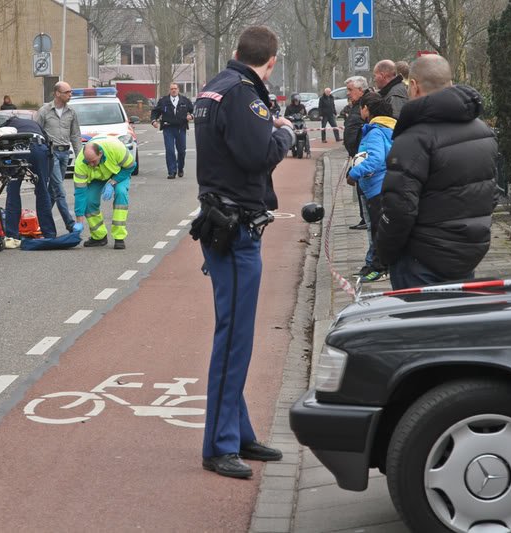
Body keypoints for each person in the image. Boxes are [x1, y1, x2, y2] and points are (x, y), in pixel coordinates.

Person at [191, 25, 291, 479]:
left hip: (221, 218)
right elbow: (257, 155)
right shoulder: (244, 94)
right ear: (271, 61)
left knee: (237, 336)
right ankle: (219, 445)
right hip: (236, 228)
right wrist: (284, 134)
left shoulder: (215, 86)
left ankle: (239, 430)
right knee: (234, 338)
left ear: (235, 51)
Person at [377, 55, 498, 290]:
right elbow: (490, 194)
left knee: (419, 326)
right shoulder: (483, 131)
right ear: (450, 83)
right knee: (456, 325)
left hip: (420, 260)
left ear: (413, 86)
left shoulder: (413, 139)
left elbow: (399, 208)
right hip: (467, 255)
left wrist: (385, 255)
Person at [346, 91, 396, 283]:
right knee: (377, 228)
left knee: (378, 230)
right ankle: (373, 264)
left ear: (367, 109)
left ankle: (380, 268)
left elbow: (375, 159)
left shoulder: (375, 132)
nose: (360, 111)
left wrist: (354, 173)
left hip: (377, 187)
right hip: (380, 186)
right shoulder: (385, 128)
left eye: (361, 108)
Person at [2, 116, 58, 247]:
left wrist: (5, 172)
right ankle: (49, 233)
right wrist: (45, 178)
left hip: (19, 149)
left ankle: (12, 236)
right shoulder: (35, 124)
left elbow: (0, 146)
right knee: (42, 191)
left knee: (13, 191)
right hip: (39, 148)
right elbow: (49, 147)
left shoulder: (8, 126)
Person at [72, 137, 136, 249]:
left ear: (100, 153)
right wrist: (79, 221)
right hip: (98, 178)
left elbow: (130, 166)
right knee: (89, 201)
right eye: (88, 162)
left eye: (93, 161)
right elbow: (80, 193)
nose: (91, 164)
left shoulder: (116, 149)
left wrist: (113, 182)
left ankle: (119, 237)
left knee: (121, 193)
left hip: (118, 173)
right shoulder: (80, 163)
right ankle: (99, 237)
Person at [37, 82, 81, 233]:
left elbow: (75, 135)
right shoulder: (44, 111)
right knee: (60, 190)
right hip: (51, 154)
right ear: (57, 93)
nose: (70, 94)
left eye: (70, 92)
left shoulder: (71, 113)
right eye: (67, 92)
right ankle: (70, 225)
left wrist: (80, 156)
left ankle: (41, 221)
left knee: (53, 191)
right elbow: (36, 133)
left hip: (65, 153)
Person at [343, 76, 370, 236]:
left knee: (363, 187)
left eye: (350, 90)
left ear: (361, 90)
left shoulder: (366, 104)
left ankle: (366, 219)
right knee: (360, 187)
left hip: (362, 153)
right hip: (356, 152)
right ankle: (363, 218)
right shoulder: (355, 104)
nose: (348, 93)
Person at [150, 83, 194, 179]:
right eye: (172, 89)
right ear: (169, 90)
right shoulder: (163, 101)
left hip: (180, 128)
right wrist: (154, 121)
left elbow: (193, 110)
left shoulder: (185, 100)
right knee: (170, 150)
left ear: (178, 90)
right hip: (168, 128)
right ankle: (172, 171)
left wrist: (191, 116)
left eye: (175, 88)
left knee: (182, 151)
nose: (173, 90)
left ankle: (180, 168)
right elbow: (155, 112)